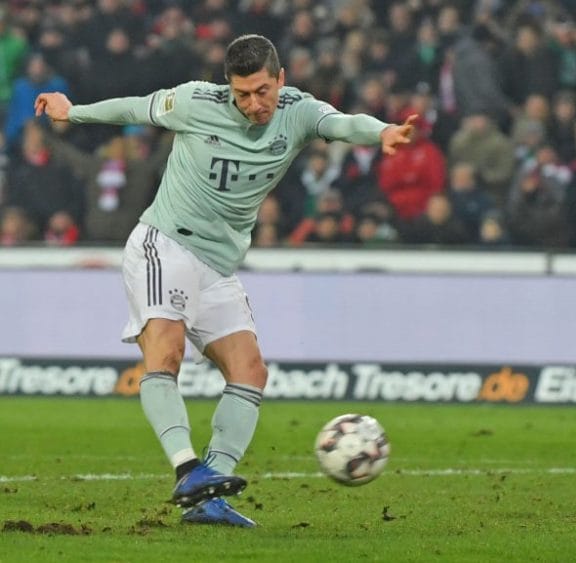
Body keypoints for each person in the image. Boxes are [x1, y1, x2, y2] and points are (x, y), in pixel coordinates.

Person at [34, 34, 414, 527]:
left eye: (262, 91)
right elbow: (135, 108)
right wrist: (73, 112)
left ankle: (210, 494)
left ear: (281, 79)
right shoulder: (195, 101)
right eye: (242, 95)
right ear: (228, 88)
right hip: (164, 243)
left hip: (218, 265)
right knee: (165, 352)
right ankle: (188, 468)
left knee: (250, 371)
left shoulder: (296, 111)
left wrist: (381, 131)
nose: (254, 104)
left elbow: (340, 123)